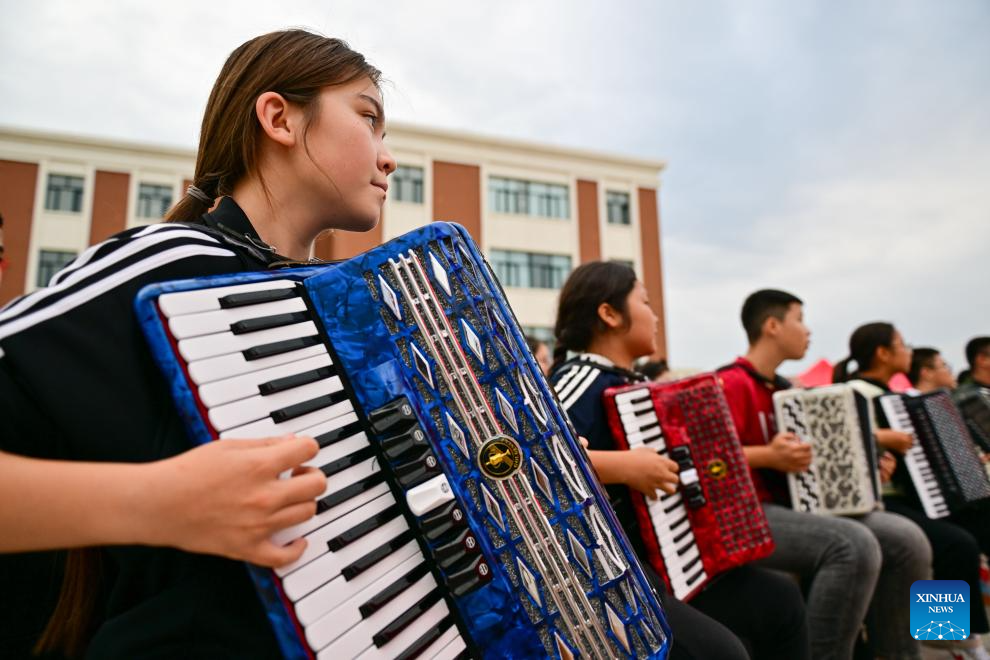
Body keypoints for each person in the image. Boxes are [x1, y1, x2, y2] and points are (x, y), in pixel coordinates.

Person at [0, 29, 395, 658]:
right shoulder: (168, 264)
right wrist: (159, 502)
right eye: (369, 118)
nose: (387, 157)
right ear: (280, 119)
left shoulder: (349, 310)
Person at [550, 263, 810, 660]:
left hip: (668, 561)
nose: (654, 316)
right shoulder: (578, 378)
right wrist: (625, 466)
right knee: (725, 653)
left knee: (781, 600)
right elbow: (538, 458)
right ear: (609, 314)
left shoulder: (636, 385)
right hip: (609, 570)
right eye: (645, 302)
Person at [719, 291, 931, 660]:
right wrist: (769, 456)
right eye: (800, 319)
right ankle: (959, 637)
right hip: (754, 510)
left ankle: (917, 647)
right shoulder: (731, 383)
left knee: (919, 539)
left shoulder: (790, 390)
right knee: (927, 542)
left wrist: (867, 470)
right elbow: (710, 460)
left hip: (813, 505)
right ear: (772, 326)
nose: (809, 330)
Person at [833, 323, 989, 660]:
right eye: (902, 345)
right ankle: (944, 634)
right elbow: (842, 442)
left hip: (908, 496)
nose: (908, 351)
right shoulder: (855, 392)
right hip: (880, 498)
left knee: (979, 518)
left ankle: (962, 634)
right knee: (953, 543)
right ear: (883, 353)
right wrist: (881, 440)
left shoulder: (891, 394)